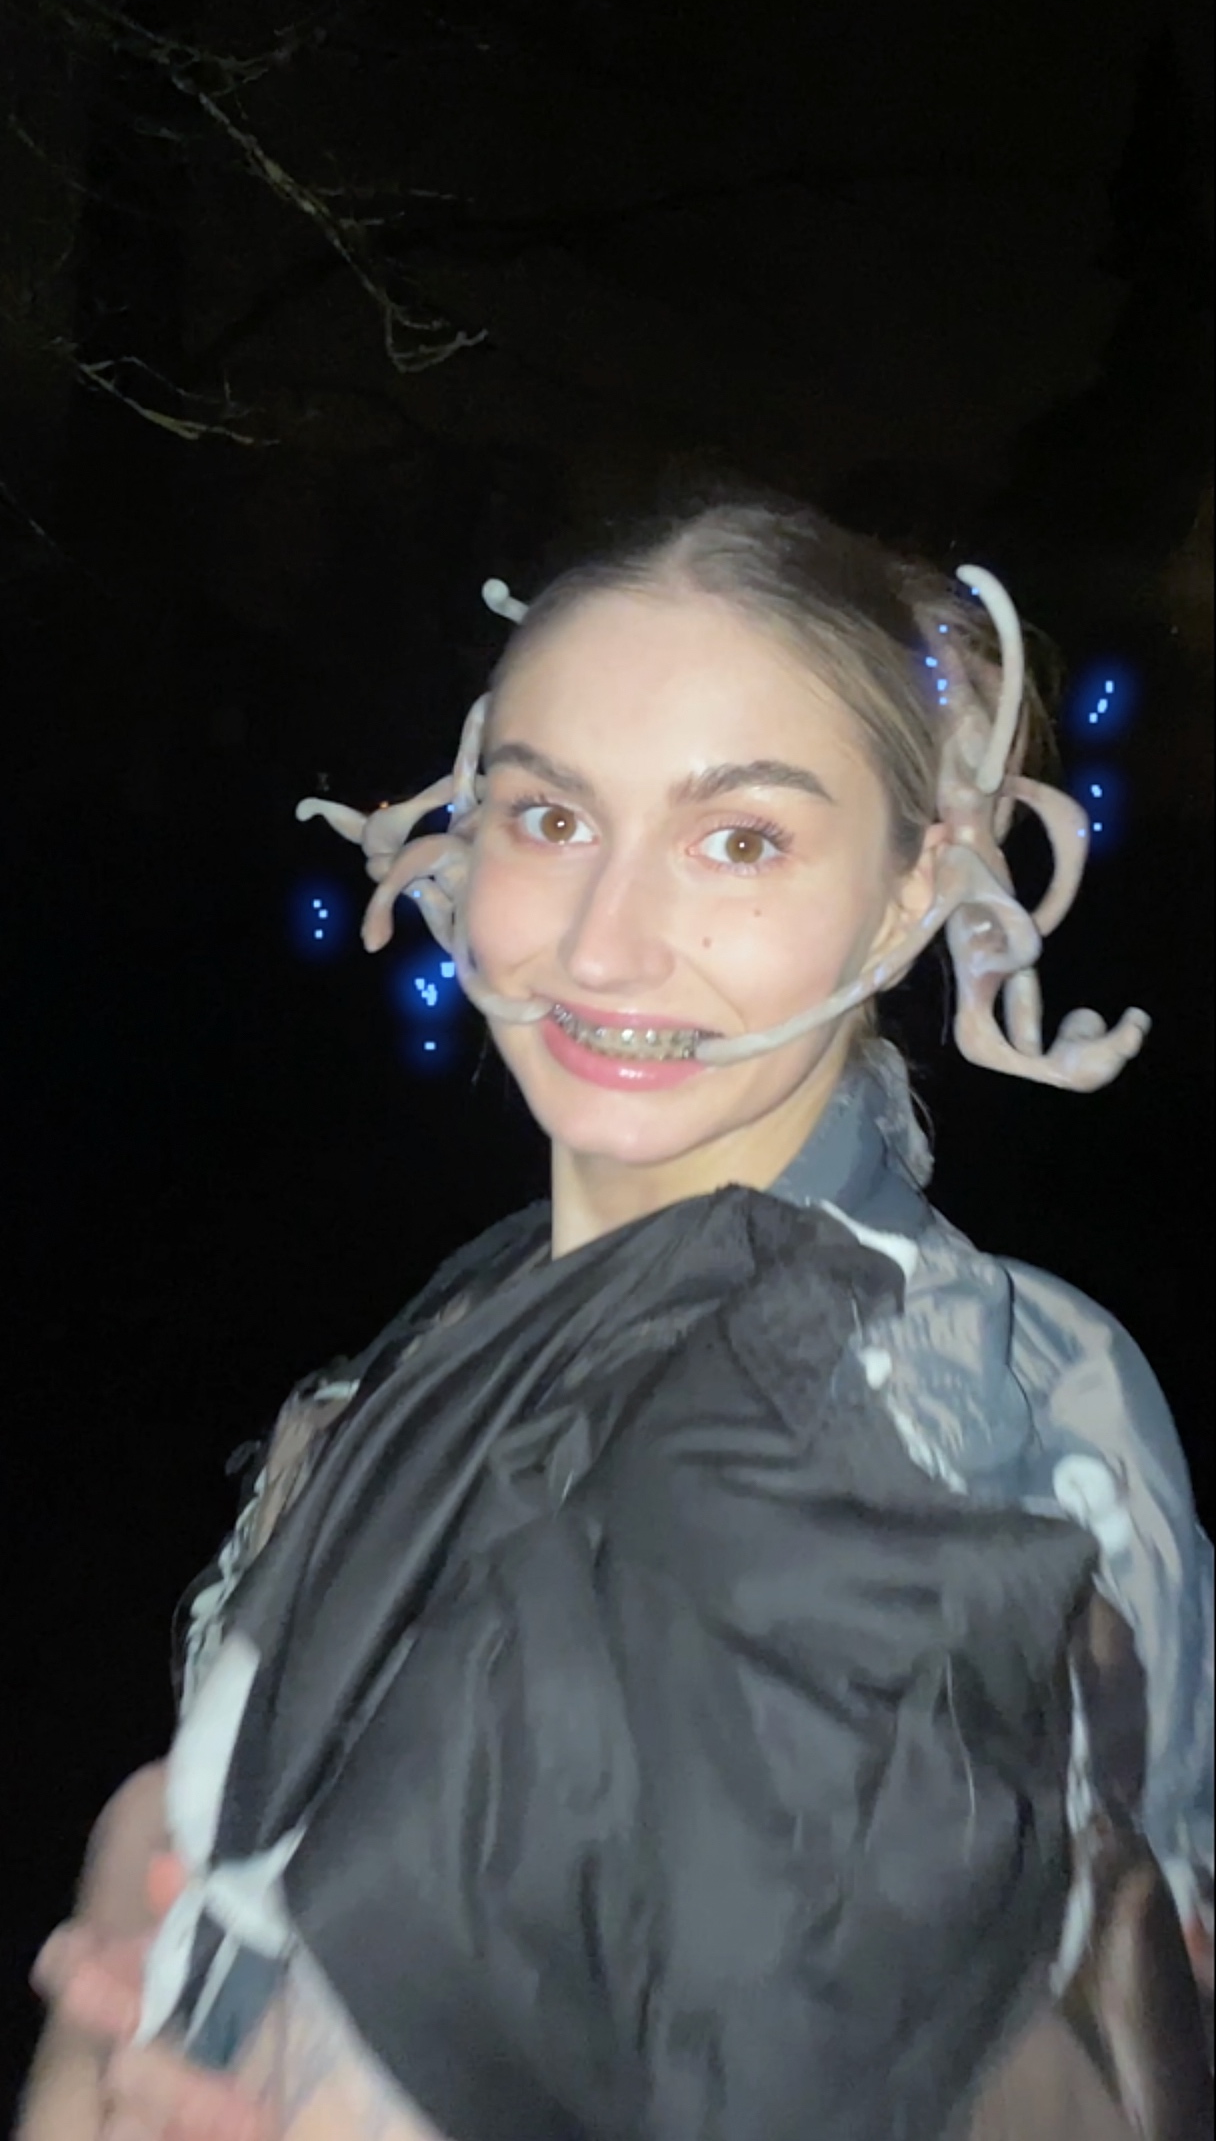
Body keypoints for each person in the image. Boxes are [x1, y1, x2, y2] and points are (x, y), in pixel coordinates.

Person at [22, 497, 1213, 2141]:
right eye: (551, 815)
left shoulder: (946, 1399)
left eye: (742, 840)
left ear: (909, 891)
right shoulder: (455, 1337)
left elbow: (1042, 2015)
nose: (605, 943)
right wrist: (151, 1876)